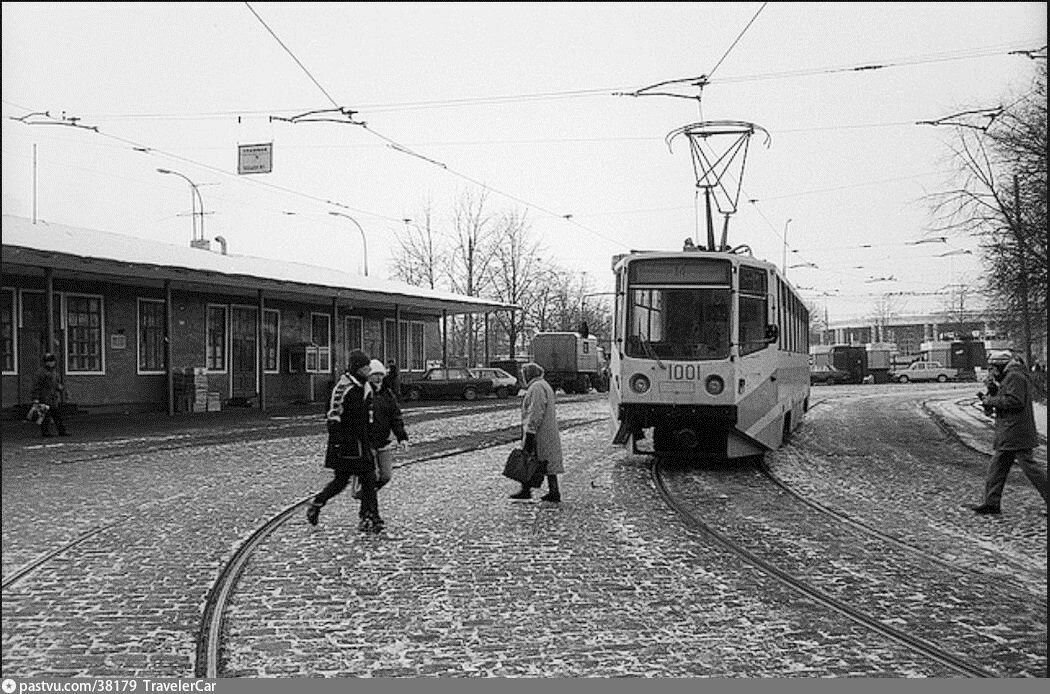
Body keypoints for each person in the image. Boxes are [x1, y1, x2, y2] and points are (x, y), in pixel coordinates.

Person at [306, 349, 383, 532]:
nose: (368, 371)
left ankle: (369, 515)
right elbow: (333, 416)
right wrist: (338, 442)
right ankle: (318, 503)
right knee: (342, 481)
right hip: (346, 443)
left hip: (362, 441)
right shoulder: (343, 387)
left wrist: (372, 438)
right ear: (357, 368)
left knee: (368, 479)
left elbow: (369, 415)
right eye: (365, 368)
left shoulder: (365, 387)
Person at [970, 353, 1047, 515]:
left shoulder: (1015, 377)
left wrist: (990, 400)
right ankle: (991, 503)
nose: (991, 372)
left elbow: (1014, 402)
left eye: (992, 368)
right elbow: (1005, 399)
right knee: (997, 469)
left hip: (1016, 432)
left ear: (1000, 365)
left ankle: (991, 503)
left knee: (1031, 470)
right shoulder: (1010, 377)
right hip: (1010, 432)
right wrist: (992, 392)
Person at [510, 362, 564, 502]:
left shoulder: (536, 387)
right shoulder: (543, 385)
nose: (523, 377)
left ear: (529, 374)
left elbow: (535, 411)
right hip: (545, 430)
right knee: (546, 462)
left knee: (530, 460)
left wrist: (530, 431)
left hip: (539, 431)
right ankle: (553, 491)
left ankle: (528, 490)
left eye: (524, 374)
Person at [366, 359, 409, 493]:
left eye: (381, 375)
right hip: (368, 441)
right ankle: (367, 496)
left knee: (386, 475)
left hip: (384, 441)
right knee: (370, 475)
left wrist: (402, 437)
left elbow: (395, 417)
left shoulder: (388, 394)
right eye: (375, 375)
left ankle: (368, 492)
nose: (378, 378)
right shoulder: (364, 393)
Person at [32, 352, 68, 437]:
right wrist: (36, 398)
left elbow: (56, 384)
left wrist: (61, 389)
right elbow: (36, 386)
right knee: (45, 417)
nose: (51, 363)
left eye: (52, 361)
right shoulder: (41, 373)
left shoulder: (54, 372)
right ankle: (46, 432)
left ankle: (61, 431)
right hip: (44, 397)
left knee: (57, 416)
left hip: (52, 397)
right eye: (49, 361)